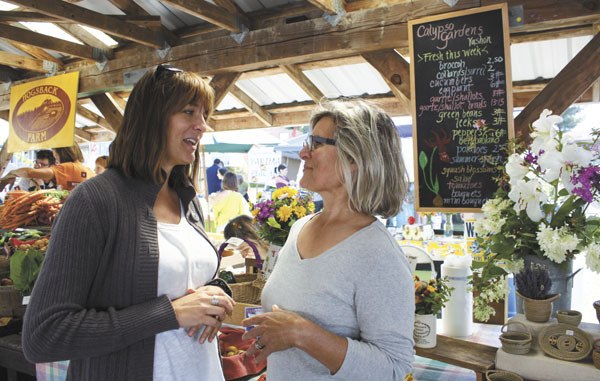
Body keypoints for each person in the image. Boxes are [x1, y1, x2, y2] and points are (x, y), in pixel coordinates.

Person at [22, 64, 235, 381]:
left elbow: (182, 283)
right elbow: (44, 334)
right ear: (152, 118)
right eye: (189, 112)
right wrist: (169, 313)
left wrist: (213, 298)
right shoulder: (95, 201)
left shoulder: (187, 199)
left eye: (204, 115)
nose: (202, 126)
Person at [242, 99, 414, 380]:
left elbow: (394, 368)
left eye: (316, 143)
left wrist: (301, 333)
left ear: (355, 159)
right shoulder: (299, 227)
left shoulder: (378, 254)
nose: (303, 152)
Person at [9, 145, 94, 191]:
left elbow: (29, 172)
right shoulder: (88, 171)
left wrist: (12, 173)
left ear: (61, 154)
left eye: (55, 154)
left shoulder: (68, 167)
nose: (56, 160)